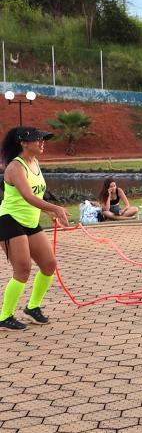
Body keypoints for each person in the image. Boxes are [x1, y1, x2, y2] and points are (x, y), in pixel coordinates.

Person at [0, 127, 70, 330]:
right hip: (9, 220)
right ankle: (4, 316)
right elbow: (28, 197)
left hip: (30, 221)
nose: (42, 143)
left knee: (49, 264)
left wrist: (50, 213)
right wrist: (55, 207)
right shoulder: (15, 167)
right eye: (37, 140)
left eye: (43, 139)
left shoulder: (35, 163)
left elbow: (36, 196)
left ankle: (32, 308)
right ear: (23, 143)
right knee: (22, 270)